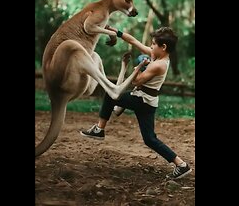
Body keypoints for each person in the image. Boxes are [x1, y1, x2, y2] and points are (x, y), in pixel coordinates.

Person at [80, 26, 192, 179]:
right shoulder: (156, 57)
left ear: (163, 47)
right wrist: (117, 32)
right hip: (147, 101)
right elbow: (133, 41)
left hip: (142, 100)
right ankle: (181, 165)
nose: (151, 46)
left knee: (111, 95)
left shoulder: (159, 65)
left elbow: (136, 81)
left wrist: (138, 67)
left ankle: (99, 129)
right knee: (150, 139)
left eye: (153, 44)